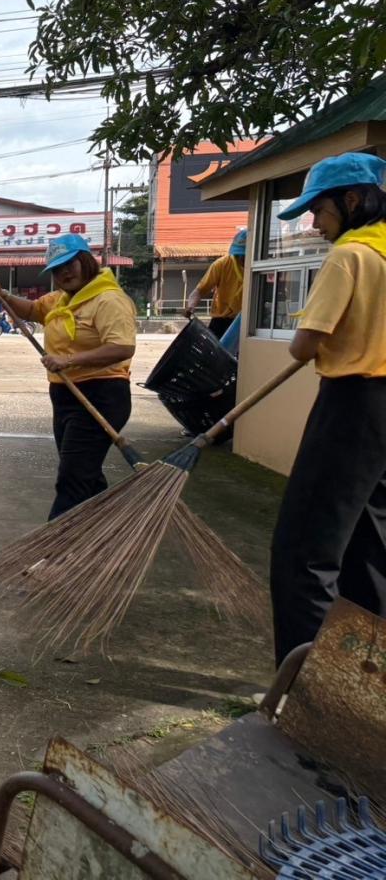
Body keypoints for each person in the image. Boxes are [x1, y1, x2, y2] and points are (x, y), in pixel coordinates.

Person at [269, 151, 386, 665]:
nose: (315, 223)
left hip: (353, 407)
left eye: (320, 210)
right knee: (370, 549)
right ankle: (361, 675)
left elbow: (304, 345)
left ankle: (303, 690)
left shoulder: (352, 255)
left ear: (354, 199)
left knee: (304, 553)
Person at [0, 233, 137, 519]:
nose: (64, 272)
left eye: (69, 264)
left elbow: (122, 347)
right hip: (65, 396)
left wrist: (69, 360)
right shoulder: (62, 299)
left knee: (72, 479)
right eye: (57, 268)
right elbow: (30, 310)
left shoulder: (108, 300)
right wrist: (1, 294)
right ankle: (104, 526)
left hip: (101, 395)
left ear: (86, 261)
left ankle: (55, 553)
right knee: (84, 473)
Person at [185, 229, 246, 337]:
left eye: (245, 254)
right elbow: (199, 291)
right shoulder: (221, 265)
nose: (242, 258)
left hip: (247, 321)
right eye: (239, 255)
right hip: (222, 320)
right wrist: (191, 307)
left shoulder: (258, 267)